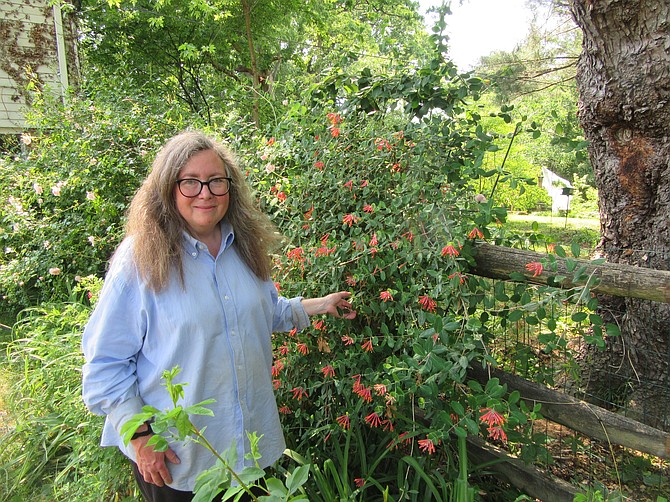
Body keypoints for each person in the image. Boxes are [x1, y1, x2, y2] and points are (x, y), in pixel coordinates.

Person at [81, 130, 355, 501]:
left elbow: (259, 314)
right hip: (181, 462)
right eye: (190, 182)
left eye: (216, 181)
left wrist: (318, 305)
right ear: (168, 188)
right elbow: (105, 364)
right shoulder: (141, 260)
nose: (205, 193)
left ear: (231, 187)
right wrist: (141, 437)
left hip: (249, 451)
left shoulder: (242, 247)